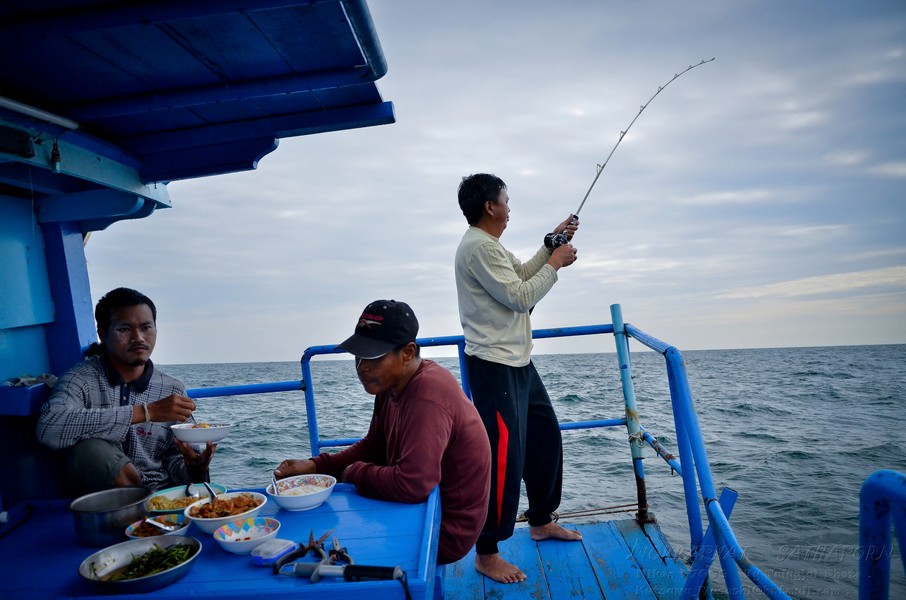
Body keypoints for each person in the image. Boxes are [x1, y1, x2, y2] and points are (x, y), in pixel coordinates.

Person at [274, 299, 491, 565]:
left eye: (373, 356)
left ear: (408, 352)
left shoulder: (427, 395)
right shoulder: (391, 385)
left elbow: (413, 485)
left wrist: (354, 472)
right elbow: (373, 446)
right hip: (425, 508)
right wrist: (316, 466)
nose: (361, 367)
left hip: (445, 529)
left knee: (323, 545)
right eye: (358, 355)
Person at [454, 173, 583, 583]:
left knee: (546, 437)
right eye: (506, 201)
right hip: (493, 366)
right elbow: (521, 297)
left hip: (518, 362)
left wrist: (550, 245)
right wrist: (557, 264)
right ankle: (486, 551)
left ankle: (542, 519)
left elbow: (522, 276)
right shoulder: (477, 247)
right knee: (503, 459)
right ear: (490, 206)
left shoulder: (490, 246)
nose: (510, 208)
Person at [36, 287, 216, 496]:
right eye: (124, 329)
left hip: (164, 497)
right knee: (92, 449)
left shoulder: (171, 388)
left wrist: (195, 469)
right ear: (103, 333)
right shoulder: (80, 380)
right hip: (105, 501)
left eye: (146, 327)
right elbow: (49, 427)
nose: (138, 337)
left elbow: (175, 457)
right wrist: (145, 412)